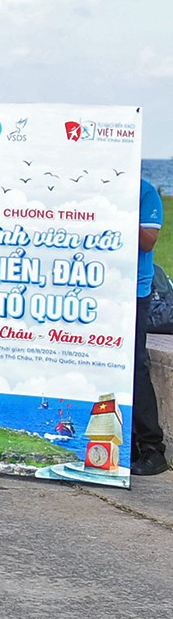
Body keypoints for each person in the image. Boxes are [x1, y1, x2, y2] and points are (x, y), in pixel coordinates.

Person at [133, 177, 168, 475]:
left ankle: (153, 448)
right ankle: (125, 443)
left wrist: (113, 212)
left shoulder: (144, 192)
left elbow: (148, 240)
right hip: (95, 290)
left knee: (134, 365)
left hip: (133, 291)